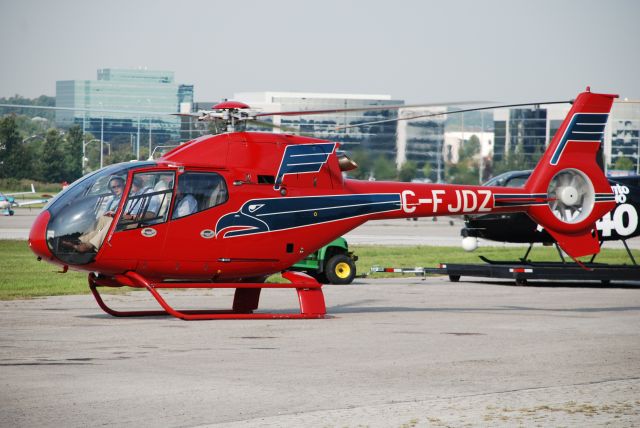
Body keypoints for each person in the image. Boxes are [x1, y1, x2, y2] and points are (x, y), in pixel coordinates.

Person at [67, 176, 125, 253]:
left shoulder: (129, 197)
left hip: (123, 221)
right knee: (101, 218)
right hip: (115, 218)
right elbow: (105, 212)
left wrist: (117, 214)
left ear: (124, 185)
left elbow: (130, 213)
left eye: (118, 186)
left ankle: (90, 246)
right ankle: (82, 241)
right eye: (113, 187)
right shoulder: (112, 199)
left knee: (112, 222)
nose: (116, 189)